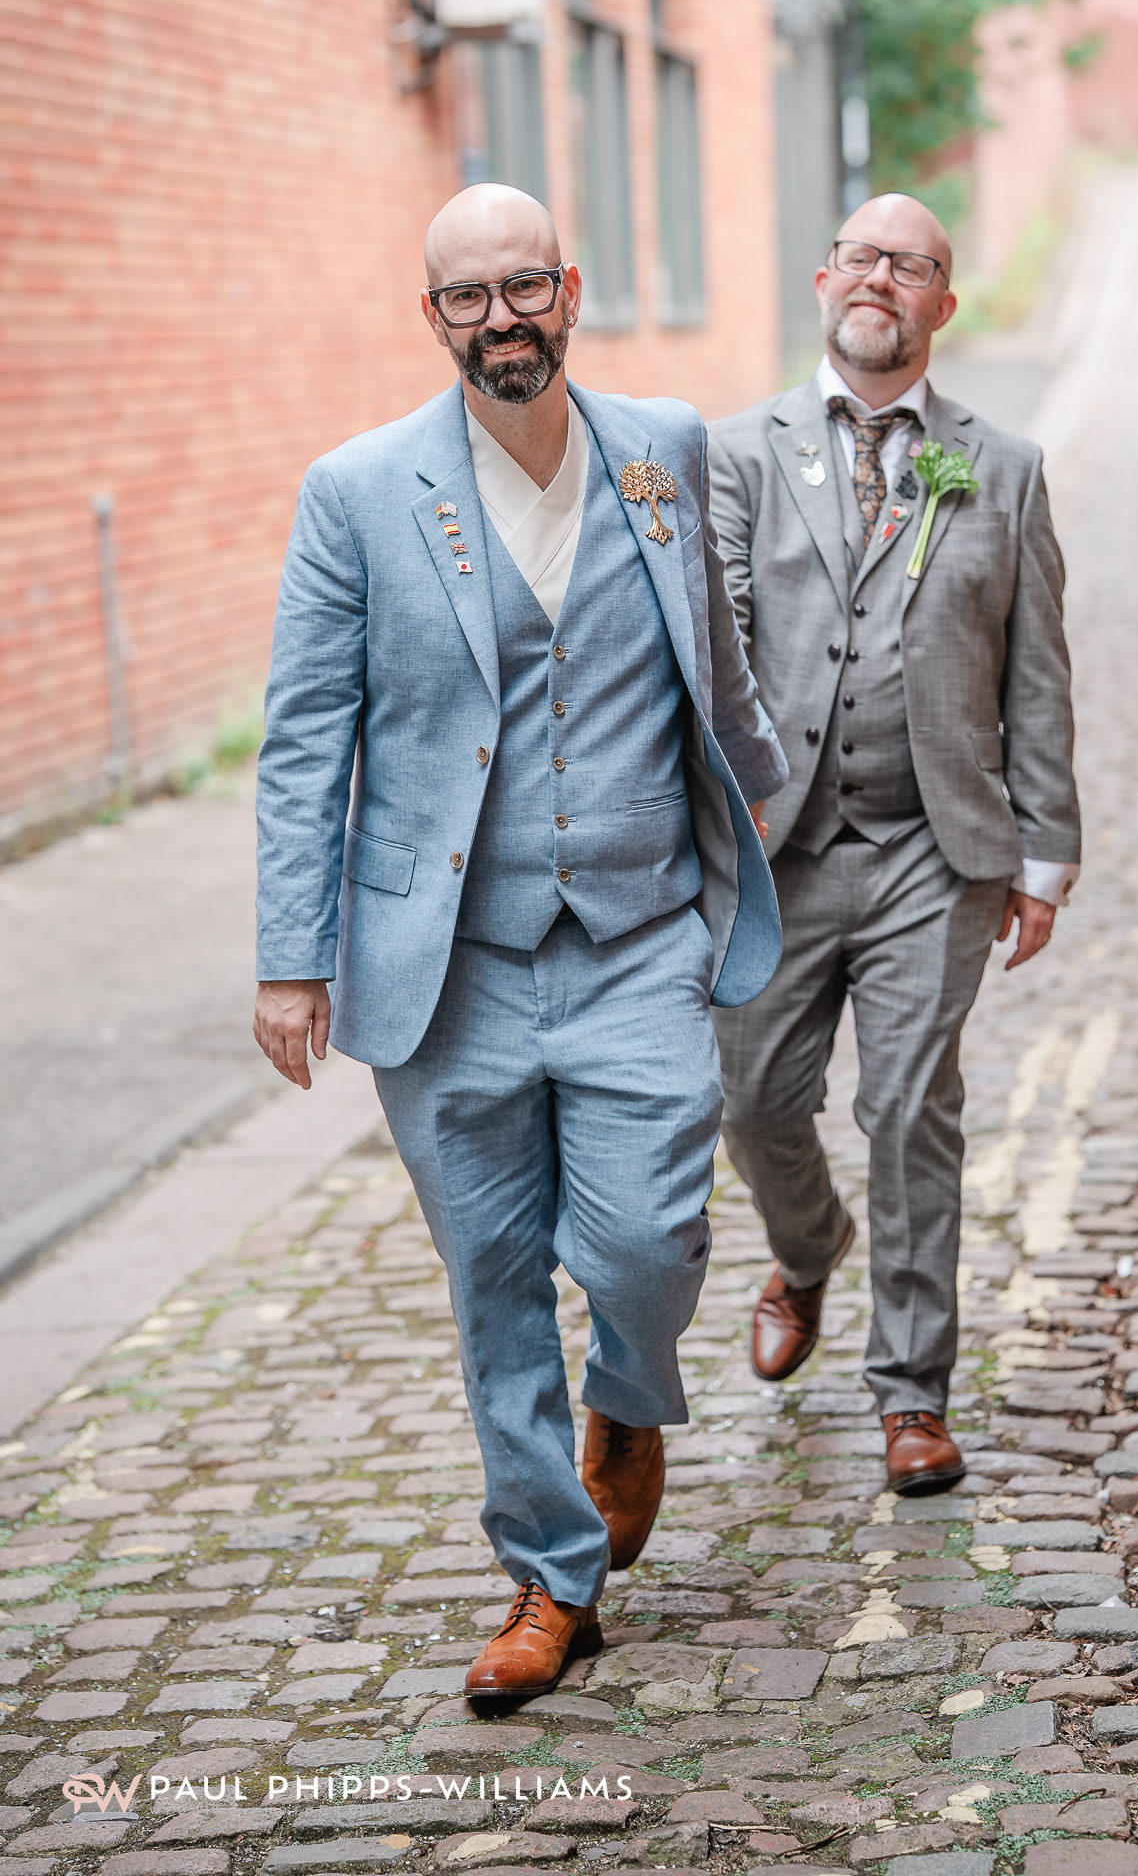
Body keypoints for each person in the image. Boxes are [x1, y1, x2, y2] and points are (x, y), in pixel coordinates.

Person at [253, 185, 787, 1702]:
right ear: (433, 319)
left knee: (638, 1245)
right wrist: (292, 958)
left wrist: (763, 840)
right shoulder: (356, 491)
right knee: (491, 1276)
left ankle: (629, 1397)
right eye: (464, 298)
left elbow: (718, 669)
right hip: (449, 967)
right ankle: (547, 1582)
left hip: (633, 937)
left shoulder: (666, 448)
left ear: (569, 288)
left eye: (523, 288)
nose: (500, 319)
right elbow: (305, 742)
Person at [707, 191, 1080, 1496]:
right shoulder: (732, 455)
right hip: (778, 847)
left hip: (936, 848)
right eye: (862, 257)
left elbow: (1032, 667)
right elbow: (711, 642)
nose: (880, 279)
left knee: (910, 1105)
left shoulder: (1000, 463)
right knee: (753, 1103)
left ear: (940, 304)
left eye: (909, 265)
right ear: (823, 282)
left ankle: (910, 1393)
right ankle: (806, 1251)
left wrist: (1043, 849)